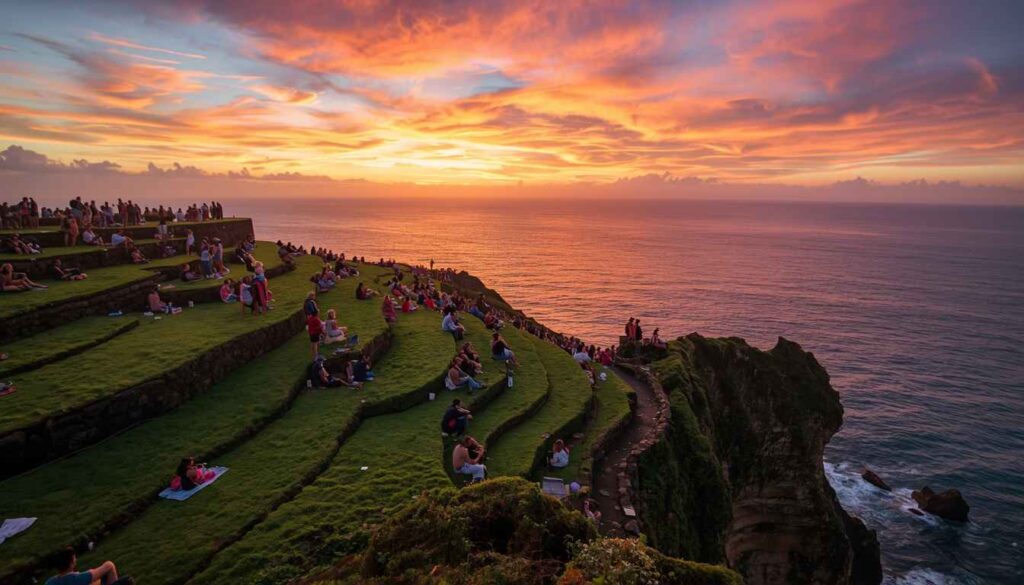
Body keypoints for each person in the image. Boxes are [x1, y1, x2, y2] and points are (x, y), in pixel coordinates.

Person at [45, 547, 132, 585]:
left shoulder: (49, 582)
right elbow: (108, 565)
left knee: (102, 578)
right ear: (71, 564)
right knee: (127, 580)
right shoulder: (78, 579)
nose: (76, 559)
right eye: (74, 558)